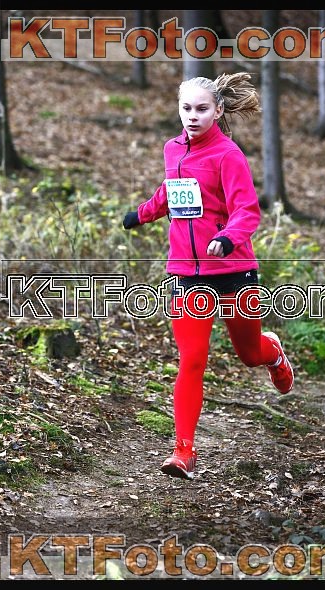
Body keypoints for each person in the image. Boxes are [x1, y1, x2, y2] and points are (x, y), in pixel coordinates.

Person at [123, 73, 294, 481]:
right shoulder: (173, 149)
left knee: (248, 354)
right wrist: (143, 213)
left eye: (202, 109)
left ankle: (272, 352)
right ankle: (183, 452)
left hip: (233, 272)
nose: (193, 116)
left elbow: (247, 210)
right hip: (186, 272)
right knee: (192, 361)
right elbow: (172, 191)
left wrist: (228, 238)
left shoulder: (228, 155)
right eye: (186, 108)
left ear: (217, 111)